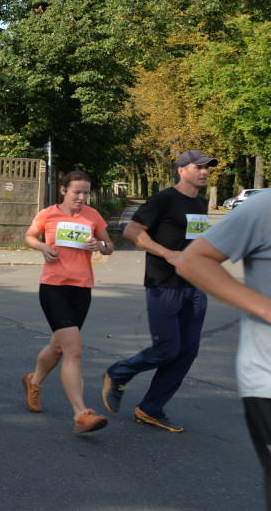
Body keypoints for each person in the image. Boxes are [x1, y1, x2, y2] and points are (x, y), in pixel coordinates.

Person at [102, 149, 217, 432]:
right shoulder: (163, 199)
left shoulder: (201, 203)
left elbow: (193, 240)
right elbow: (132, 232)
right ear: (181, 169)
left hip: (194, 285)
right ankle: (118, 373)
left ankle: (150, 409)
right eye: (198, 166)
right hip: (164, 283)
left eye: (207, 167)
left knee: (187, 352)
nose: (204, 171)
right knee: (167, 349)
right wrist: (168, 254)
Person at [176, 190, 271, 506]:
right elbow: (193, 260)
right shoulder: (264, 206)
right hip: (268, 380)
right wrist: (266, 308)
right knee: (169, 349)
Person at [22, 170, 113, 434]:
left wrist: (100, 246)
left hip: (81, 289)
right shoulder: (48, 214)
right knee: (73, 350)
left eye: (86, 192)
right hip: (53, 288)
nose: (82, 197)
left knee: (59, 346)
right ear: (63, 190)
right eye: (77, 192)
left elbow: (109, 245)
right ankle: (81, 414)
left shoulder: (92, 216)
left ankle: (34, 381)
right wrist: (42, 247)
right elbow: (29, 236)